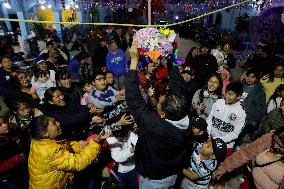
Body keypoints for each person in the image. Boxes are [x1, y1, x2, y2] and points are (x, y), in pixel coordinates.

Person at [126, 41, 191, 189]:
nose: (161, 98)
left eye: (161, 102)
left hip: (153, 181)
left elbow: (133, 98)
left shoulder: (154, 126)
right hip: (172, 174)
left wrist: (134, 61)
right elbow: (179, 87)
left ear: (162, 114)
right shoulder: (185, 118)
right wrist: (170, 59)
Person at [28, 115, 102, 189]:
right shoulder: (50, 151)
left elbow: (64, 147)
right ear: (44, 133)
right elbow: (78, 162)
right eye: (54, 123)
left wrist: (79, 145)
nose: (58, 123)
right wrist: (95, 143)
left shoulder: (39, 141)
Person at [213, 127, 284, 189]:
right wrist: (224, 167)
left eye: (281, 146)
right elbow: (245, 153)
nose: (275, 146)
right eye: (274, 141)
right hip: (250, 183)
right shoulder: (268, 139)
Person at [207, 82, 246, 155]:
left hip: (226, 145)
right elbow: (209, 119)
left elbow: (235, 134)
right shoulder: (218, 102)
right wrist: (208, 134)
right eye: (226, 93)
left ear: (238, 97)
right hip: (209, 139)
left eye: (230, 94)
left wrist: (218, 140)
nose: (226, 96)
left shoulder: (241, 113)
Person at [106, 125, 139, 189]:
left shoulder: (128, 132)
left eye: (125, 137)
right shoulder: (110, 140)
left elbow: (138, 141)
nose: (124, 140)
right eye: (121, 139)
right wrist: (132, 150)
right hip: (121, 172)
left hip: (134, 168)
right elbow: (118, 157)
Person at [0, 116, 27, 189]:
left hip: (21, 171)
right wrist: (18, 158)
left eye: (4, 122)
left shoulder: (11, 133)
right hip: (10, 179)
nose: (5, 125)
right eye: (0, 125)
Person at [240, 69, 266, 140]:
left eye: (252, 77)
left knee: (240, 134)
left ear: (256, 78)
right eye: (248, 76)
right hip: (237, 113)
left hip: (248, 116)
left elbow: (260, 107)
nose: (249, 79)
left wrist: (256, 119)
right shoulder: (241, 85)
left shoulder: (259, 91)